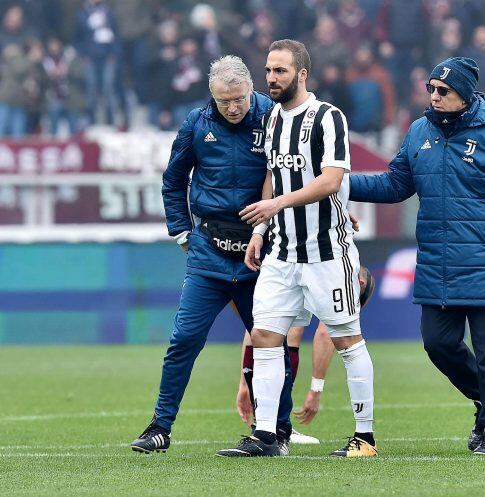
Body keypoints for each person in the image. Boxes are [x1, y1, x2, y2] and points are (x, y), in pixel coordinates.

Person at [349, 57, 485, 454]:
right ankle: (484, 399)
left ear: (465, 95)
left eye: (444, 91)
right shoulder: (419, 132)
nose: (435, 97)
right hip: (436, 262)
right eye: (432, 90)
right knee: (437, 344)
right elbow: (395, 184)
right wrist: (339, 184)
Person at [216, 39, 377, 458]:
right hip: (282, 252)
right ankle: (267, 436)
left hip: (326, 253)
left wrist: (277, 204)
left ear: (301, 74)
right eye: (268, 70)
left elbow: (331, 180)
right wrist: (260, 229)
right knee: (266, 335)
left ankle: (365, 438)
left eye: (281, 71)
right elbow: (273, 175)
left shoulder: (328, 118)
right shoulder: (271, 121)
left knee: (347, 338)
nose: (271, 78)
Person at [130, 55, 295, 454]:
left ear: (250, 89)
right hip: (209, 255)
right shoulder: (196, 123)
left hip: (262, 252)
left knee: (271, 345)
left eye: (239, 98)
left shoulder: (275, 117)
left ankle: (277, 431)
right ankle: (159, 427)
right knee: (184, 339)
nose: (233, 107)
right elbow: (173, 181)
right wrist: (181, 231)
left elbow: (297, 177)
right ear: (212, 96)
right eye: (225, 102)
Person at [236, 266, 376, 435]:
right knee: (297, 331)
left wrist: (245, 383)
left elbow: (255, 331)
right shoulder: (337, 268)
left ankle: (270, 426)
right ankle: (278, 426)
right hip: (288, 258)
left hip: (277, 258)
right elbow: (326, 333)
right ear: (359, 284)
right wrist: (316, 389)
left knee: (267, 325)